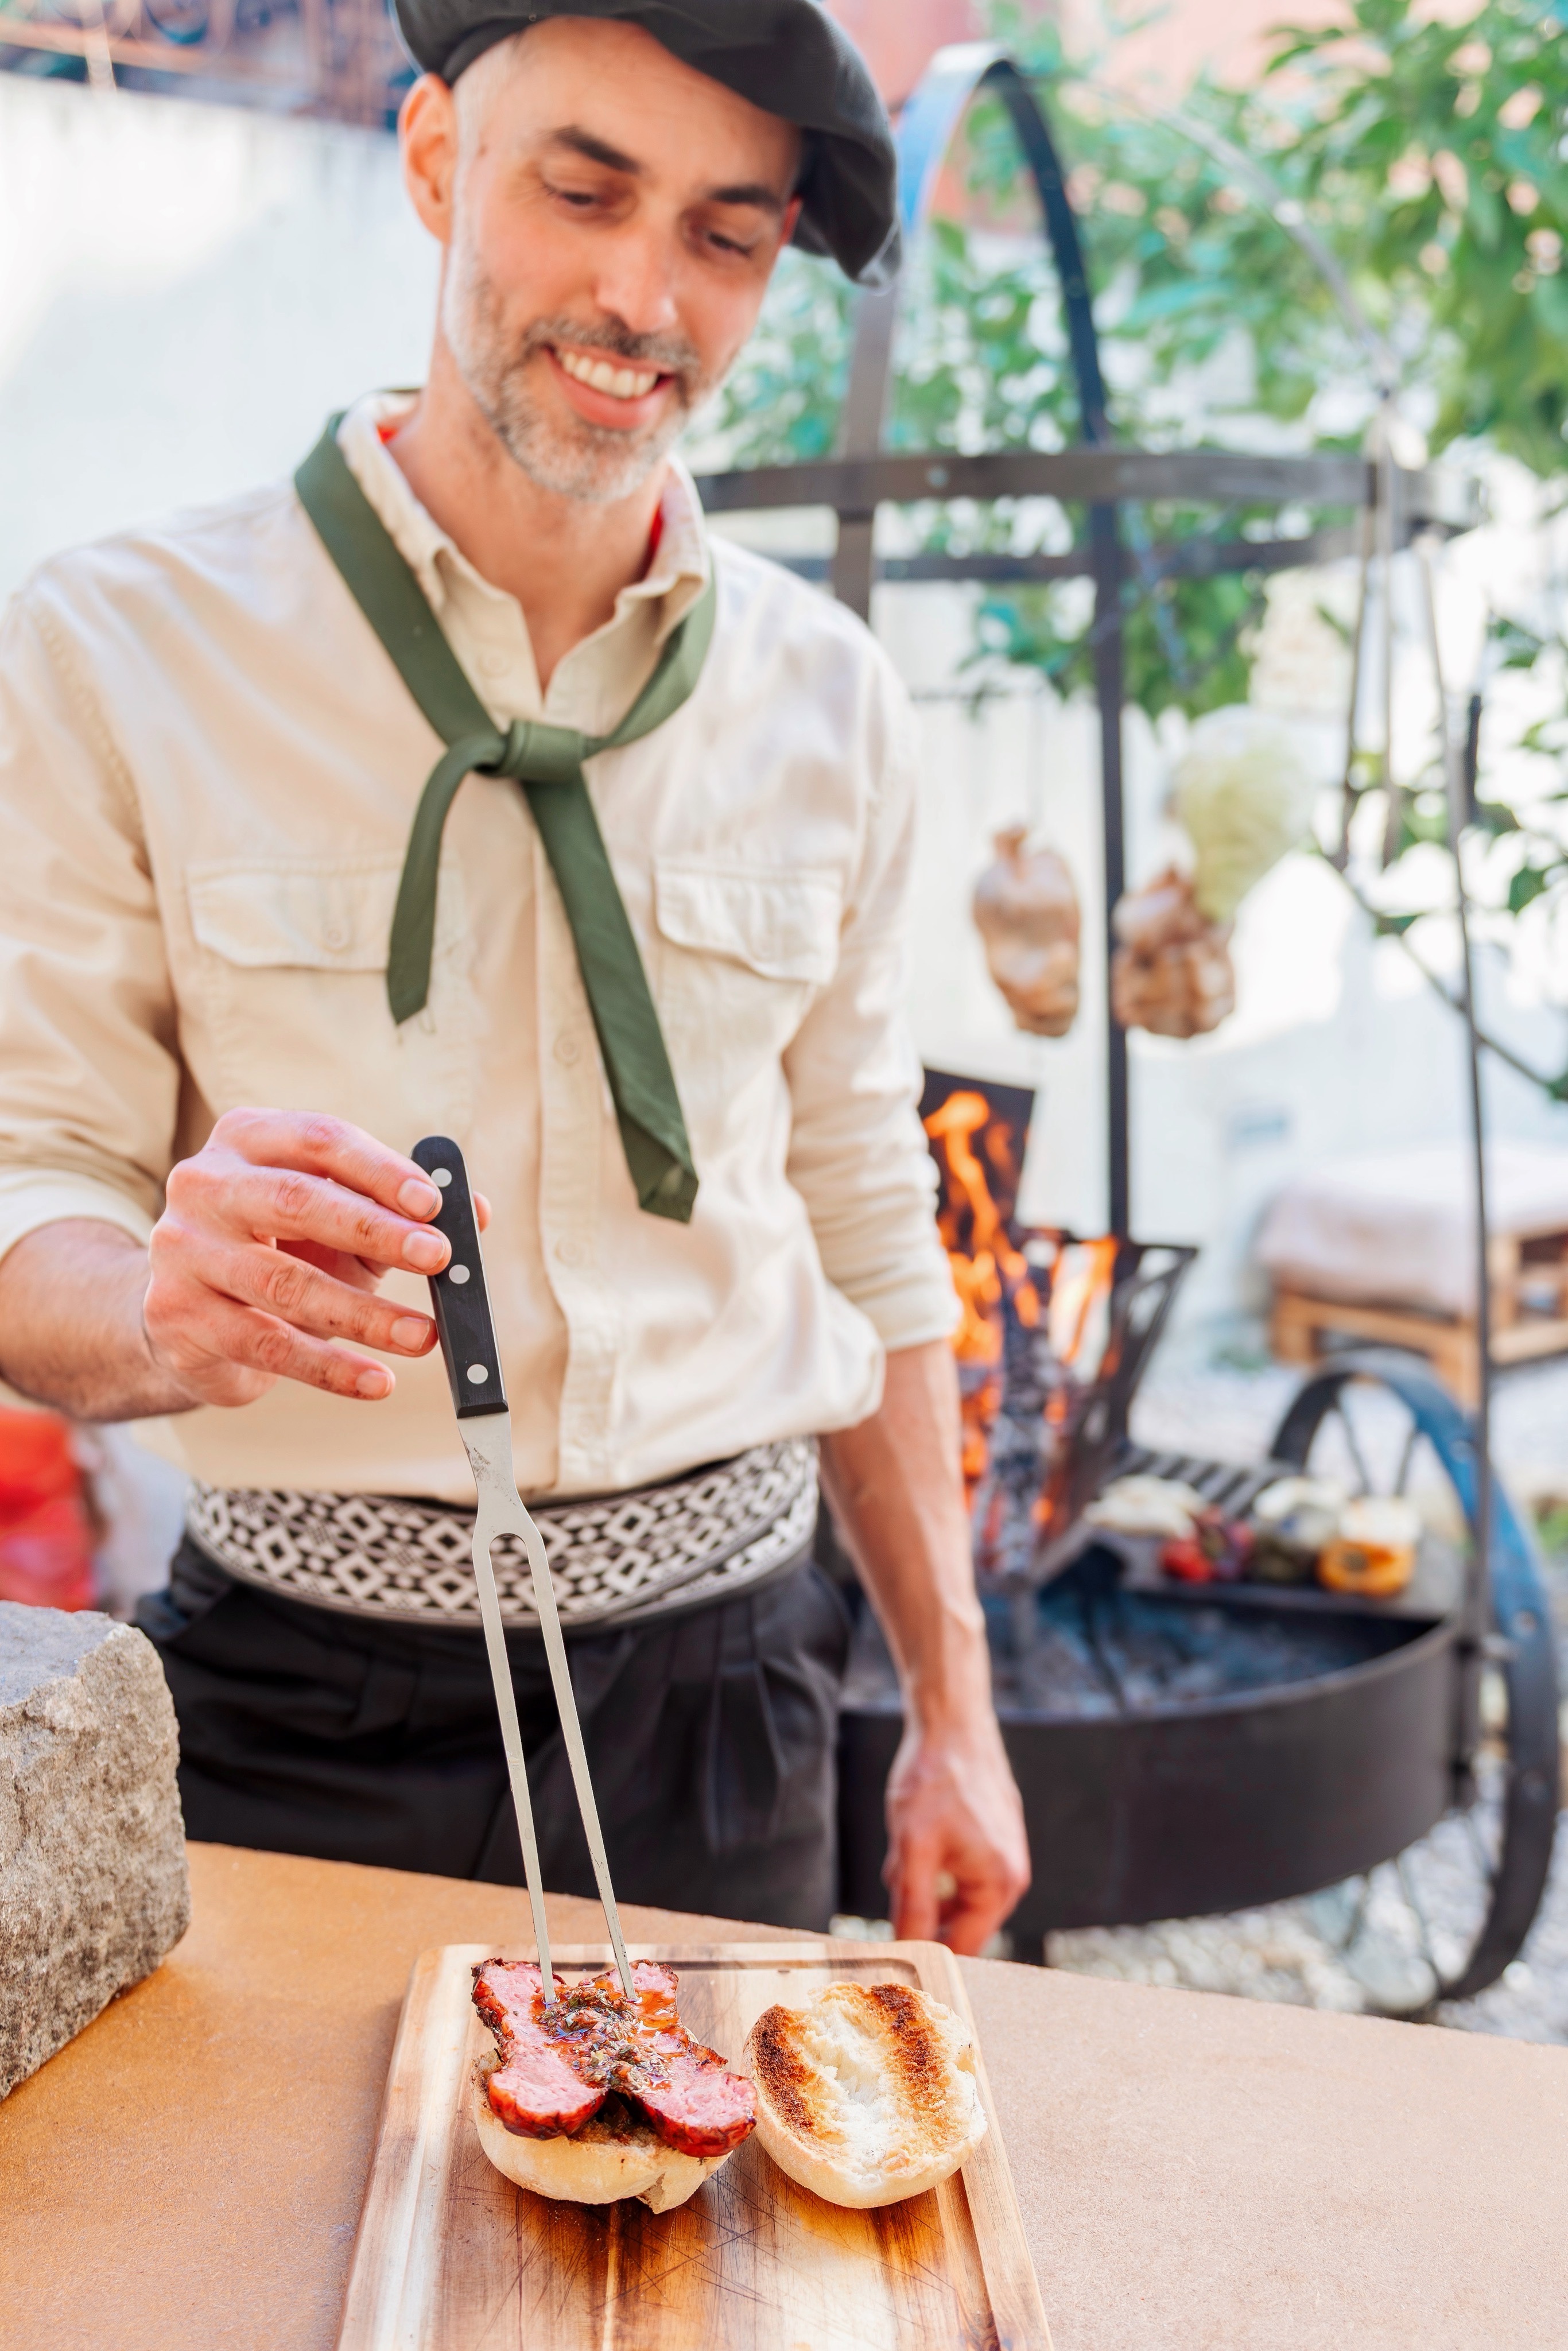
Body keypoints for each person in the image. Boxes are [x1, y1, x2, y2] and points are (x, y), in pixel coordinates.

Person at [0, 0, 1028, 1952]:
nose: (644, 294)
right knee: (261, 2263)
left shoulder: (833, 702)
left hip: (732, 1702)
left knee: (710, 2254)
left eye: (726, 235)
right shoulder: (111, 648)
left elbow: (870, 1227)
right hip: (293, 1700)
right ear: (432, 161)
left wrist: (955, 1717)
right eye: (583, 190)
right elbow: (25, 1176)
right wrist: (154, 1307)